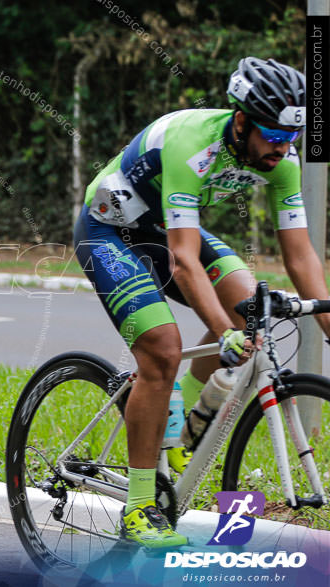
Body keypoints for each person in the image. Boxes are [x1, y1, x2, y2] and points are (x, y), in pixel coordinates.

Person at [73, 57, 330, 548]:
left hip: (162, 226)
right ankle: (139, 506)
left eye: (291, 138)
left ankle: (179, 432)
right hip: (109, 230)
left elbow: (301, 258)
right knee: (163, 349)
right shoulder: (193, 144)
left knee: (249, 310)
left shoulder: (283, 161)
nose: (282, 148)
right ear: (241, 122)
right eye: (273, 135)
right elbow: (184, 260)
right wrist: (224, 329)